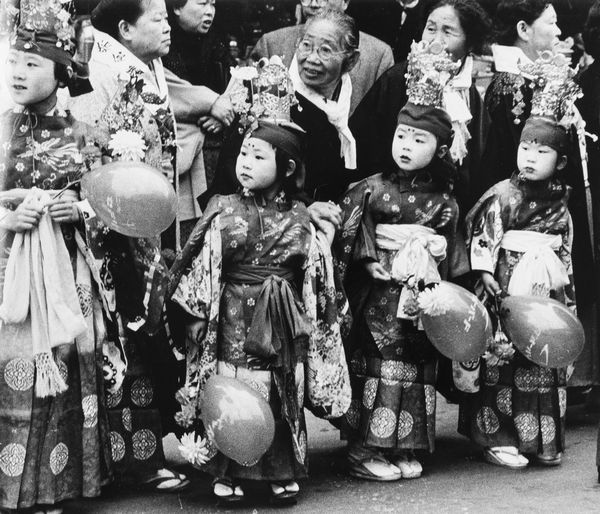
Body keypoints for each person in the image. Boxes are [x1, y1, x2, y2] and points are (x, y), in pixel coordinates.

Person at [167, 116, 348, 504]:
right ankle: (227, 468)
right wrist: (197, 314)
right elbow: (200, 262)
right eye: (243, 153)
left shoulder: (301, 216)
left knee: (278, 388)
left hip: (281, 312)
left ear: (287, 169)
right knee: (231, 383)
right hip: (230, 311)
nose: (245, 162)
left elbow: (315, 275)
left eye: (258, 156)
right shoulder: (223, 208)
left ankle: (279, 470)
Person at [62, 0, 189, 492]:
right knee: (121, 338)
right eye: (156, 16)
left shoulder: (140, 68)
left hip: (141, 228)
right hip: (106, 232)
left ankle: (141, 453)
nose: (166, 23)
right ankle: (122, 459)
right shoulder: (102, 79)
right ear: (124, 27)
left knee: (142, 335)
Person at [336, 41, 468, 481]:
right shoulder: (370, 188)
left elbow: (452, 249)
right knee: (381, 367)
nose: (406, 146)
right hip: (380, 295)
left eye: (419, 138)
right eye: (401, 135)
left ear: (442, 148)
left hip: (422, 293)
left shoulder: (446, 202)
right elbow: (351, 232)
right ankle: (364, 451)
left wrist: (445, 283)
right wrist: (365, 262)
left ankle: (403, 446)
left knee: (417, 367)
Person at [0, 2, 111, 511]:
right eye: (14, 61)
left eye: (32, 63)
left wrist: (82, 210)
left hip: (69, 272)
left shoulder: (88, 137)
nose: (19, 72)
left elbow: (117, 209)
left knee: (65, 370)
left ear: (61, 71)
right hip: (10, 275)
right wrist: (4, 219)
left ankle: (61, 486)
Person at [481, 0, 596, 390]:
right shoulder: (511, 84)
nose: (560, 32)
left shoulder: (542, 77)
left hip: (552, 208)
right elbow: (512, 157)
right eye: (552, 23)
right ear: (523, 29)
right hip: (519, 211)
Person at [459, 111, 576, 468]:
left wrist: (565, 283)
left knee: (542, 353)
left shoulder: (562, 199)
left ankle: (541, 438)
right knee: (504, 356)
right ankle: (497, 438)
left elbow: (565, 244)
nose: (529, 157)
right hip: (506, 282)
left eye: (541, 153)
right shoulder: (503, 194)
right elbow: (484, 233)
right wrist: (484, 270)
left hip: (546, 282)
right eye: (525, 148)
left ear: (562, 161)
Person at [204, 9, 361, 235]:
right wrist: (305, 207)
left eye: (325, 50)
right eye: (306, 45)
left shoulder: (344, 99)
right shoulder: (271, 96)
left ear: (351, 60)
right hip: (260, 226)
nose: (311, 58)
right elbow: (240, 173)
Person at [350, 0, 491, 213]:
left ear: (469, 43)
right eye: (430, 29)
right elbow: (365, 145)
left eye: (448, 32)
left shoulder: (469, 95)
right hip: (387, 207)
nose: (436, 40)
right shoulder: (397, 79)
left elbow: (477, 165)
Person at [163, 0, 236, 242]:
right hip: (181, 150)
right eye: (202, 3)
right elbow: (168, 92)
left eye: (213, 4)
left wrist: (222, 116)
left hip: (215, 151)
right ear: (176, 8)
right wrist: (212, 105)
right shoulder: (162, 43)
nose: (210, 11)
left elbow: (232, 90)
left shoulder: (216, 43)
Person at [251, 0, 394, 115]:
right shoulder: (272, 44)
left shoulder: (378, 56)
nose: (314, 4)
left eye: (326, 50)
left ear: (346, 2)